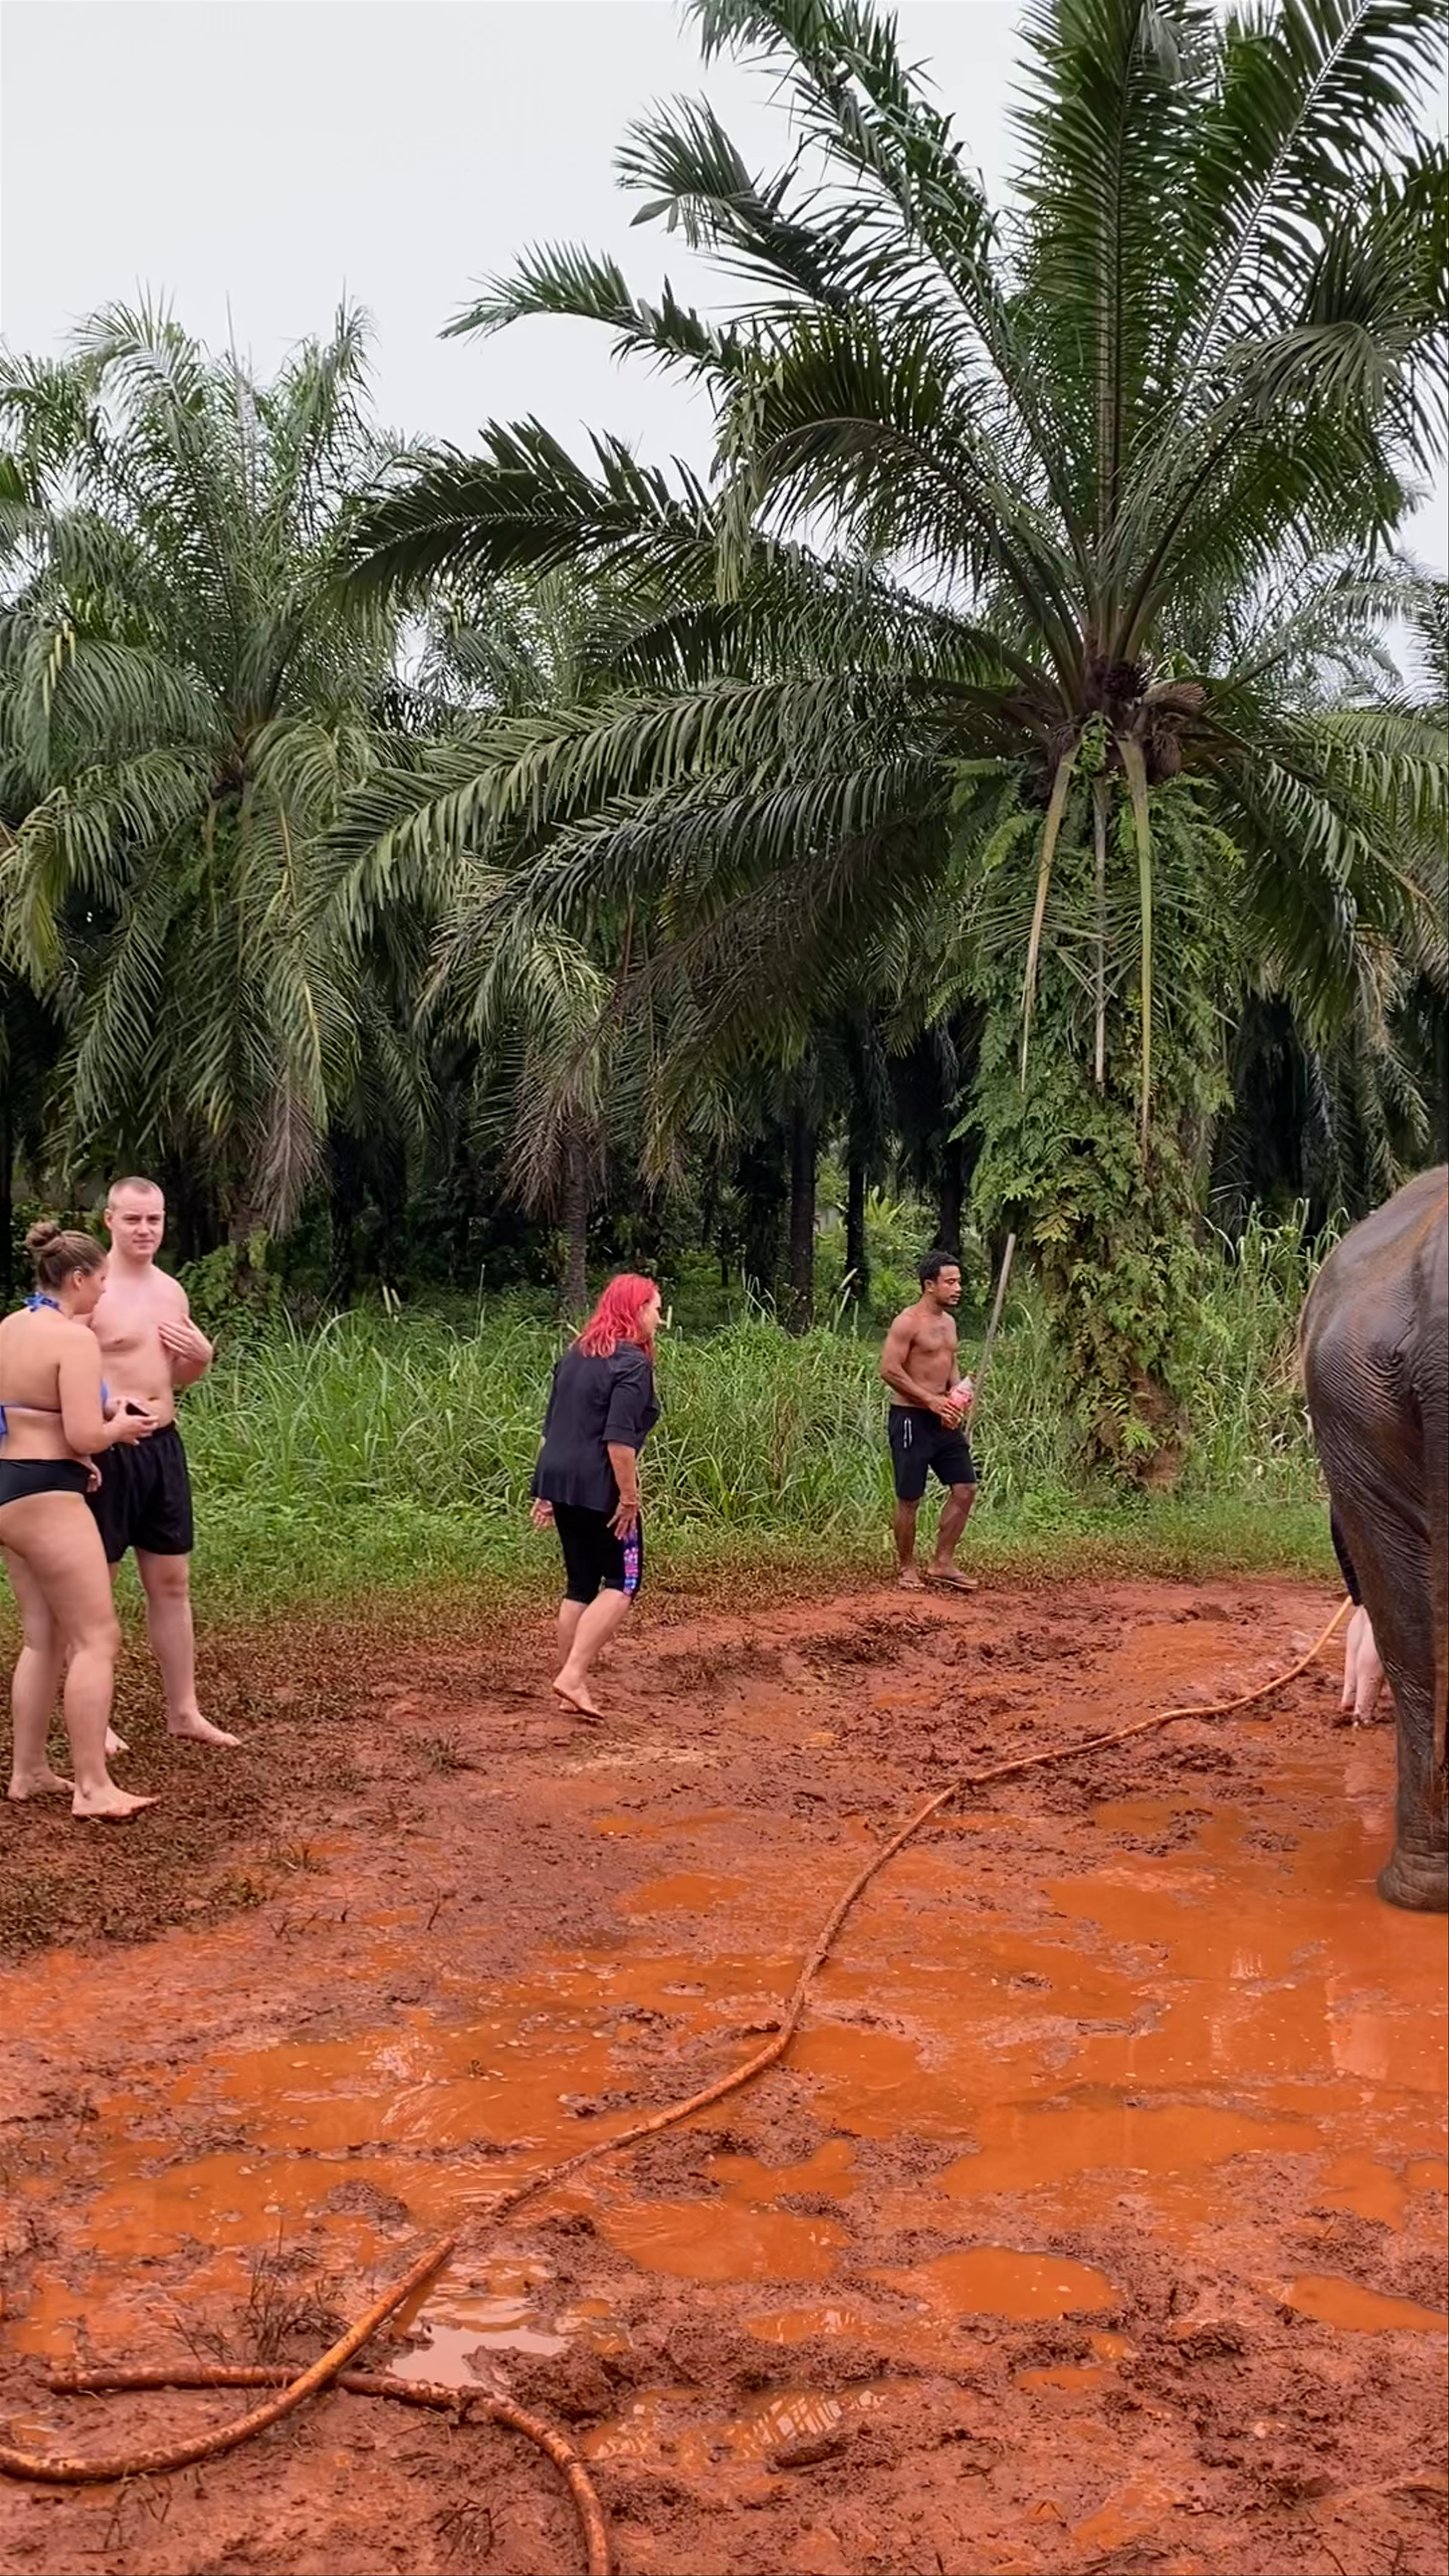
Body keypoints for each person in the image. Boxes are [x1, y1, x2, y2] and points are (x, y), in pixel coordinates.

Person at [2, 1221, 160, 1817]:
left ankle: (30, 1770)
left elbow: (23, 1412)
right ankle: (94, 1786)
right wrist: (118, 1430)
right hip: (47, 1498)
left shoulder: (11, 1326)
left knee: (44, 1638)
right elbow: (83, 1432)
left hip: (10, 1488)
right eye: (100, 1282)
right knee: (98, 1637)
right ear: (76, 1278)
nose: (103, 1294)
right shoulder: (74, 1338)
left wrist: (79, 1453)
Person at [86, 1175, 238, 1749]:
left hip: (163, 1445)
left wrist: (202, 1358)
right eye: (133, 1219)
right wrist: (104, 1408)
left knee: (173, 1580)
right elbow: (64, 1367)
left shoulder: (172, 1290)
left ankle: (184, 1709)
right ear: (110, 1220)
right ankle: (94, 1718)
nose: (145, 1229)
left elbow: (176, 1375)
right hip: (108, 1446)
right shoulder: (90, 1290)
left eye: (154, 1219)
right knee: (97, 1585)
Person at [530, 1273, 662, 1719]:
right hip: (599, 1484)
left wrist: (545, 1492)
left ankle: (571, 1679)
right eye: (655, 1308)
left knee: (580, 1584)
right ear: (635, 1309)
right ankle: (572, 1675)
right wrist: (629, 1499)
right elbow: (619, 1443)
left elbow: (552, 1429)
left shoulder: (576, 1353)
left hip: (560, 1478)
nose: (659, 1319)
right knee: (623, 1582)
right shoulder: (632, 1364)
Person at [879, 1249, 978, 1593]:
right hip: (911, 1417)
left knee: (965, 1488)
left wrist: (958, 1396)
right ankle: (907, 1567)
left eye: (959, 1281)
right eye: (951, 1282)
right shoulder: (907, 1322)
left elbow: (949, 1364)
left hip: (943, 1418)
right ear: (929, 1285)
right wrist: (930, 1400)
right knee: (910, 1496)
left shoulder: (949, 1323)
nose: (958, 1288)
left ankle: (943, 1562)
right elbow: (889, 1370)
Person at [1330, 1508, 1387, 1726]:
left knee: (1364, 1606)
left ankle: (1350, 1697)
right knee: (1382, 1615)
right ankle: (1363, 1713)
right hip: (1378, 1516)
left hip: (1342, 1512)